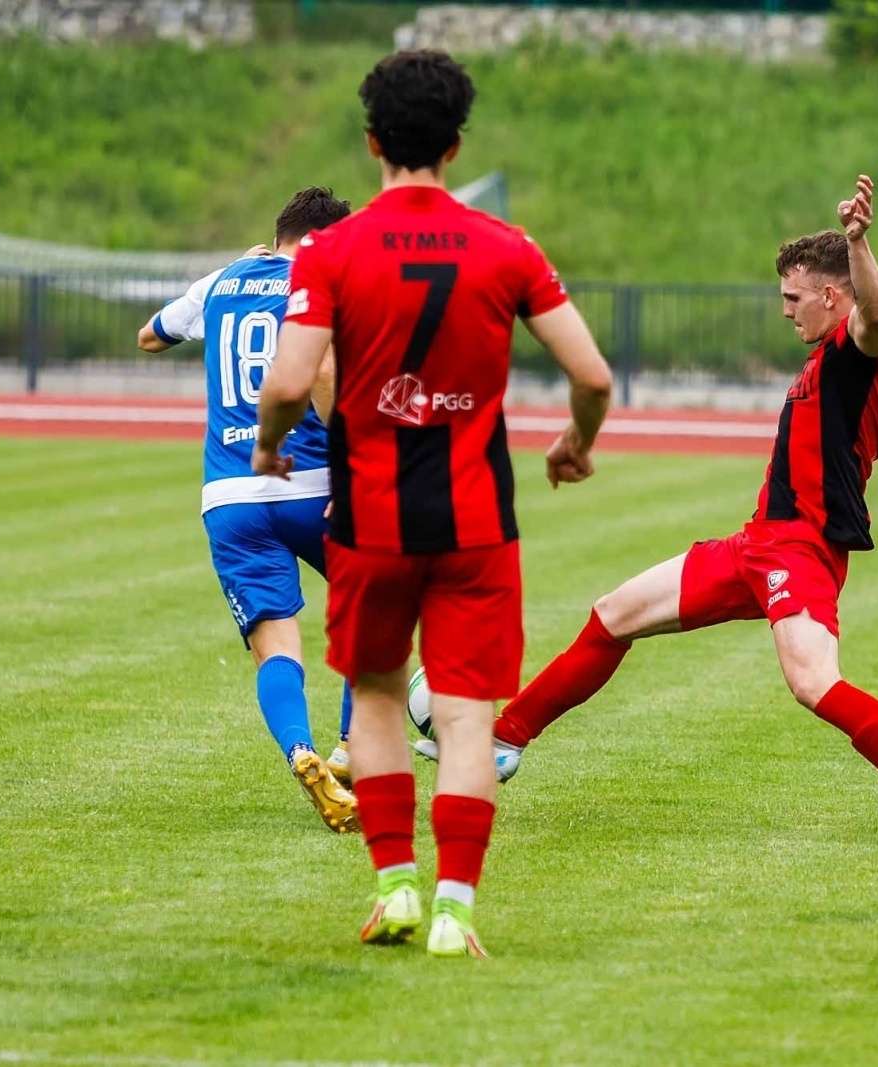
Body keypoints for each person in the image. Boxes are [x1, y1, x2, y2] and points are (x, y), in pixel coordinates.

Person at [422, 177, 878, 848]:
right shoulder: (858, 370)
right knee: (614, 614)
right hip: (754, 546)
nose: (785, 311)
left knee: (813, 683)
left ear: (831, 296)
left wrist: (860, 242)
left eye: (792, 297)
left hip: (801, 551)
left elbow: (874, 312)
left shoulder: (858, 347)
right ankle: (506, 739)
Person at [255, 49, 614, 958]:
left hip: (372, 514)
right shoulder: (508, 245)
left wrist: (266, 446)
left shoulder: (331, 250)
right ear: (457, 146)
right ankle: (456, 910)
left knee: (374, 696)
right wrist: (576, 442)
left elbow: (292, 379)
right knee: (462, 715)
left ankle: (396, 889)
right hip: (476, 520)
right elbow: (592, 375)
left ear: (372, 139)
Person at [136, 188, 359, 833]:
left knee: (275, 646)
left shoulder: (222, 283)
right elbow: (323, 378)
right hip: (313, 483)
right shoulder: (323, 286)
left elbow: (150, 337)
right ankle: (348, 751)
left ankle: (300, 751)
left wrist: (226, 277)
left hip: (231, 497)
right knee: (374, 613)